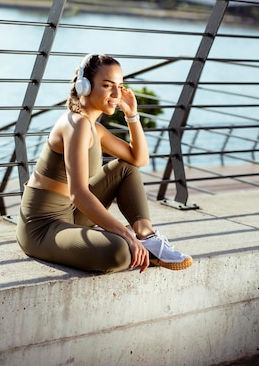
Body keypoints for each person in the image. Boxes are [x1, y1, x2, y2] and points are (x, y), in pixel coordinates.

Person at [16, 53, 193, 273]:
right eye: (108, 85)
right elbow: (78, 193)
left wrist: (132, 115)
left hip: (74, 215)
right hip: (44, 227)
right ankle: (131, 241)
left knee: (125, 168)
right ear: (85, 86)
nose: (117, 94)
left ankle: (148, 237)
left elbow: (139, 159)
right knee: (119, 252)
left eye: (119, 86)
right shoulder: (75, 124)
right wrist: (124, 234)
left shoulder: (94, 128)